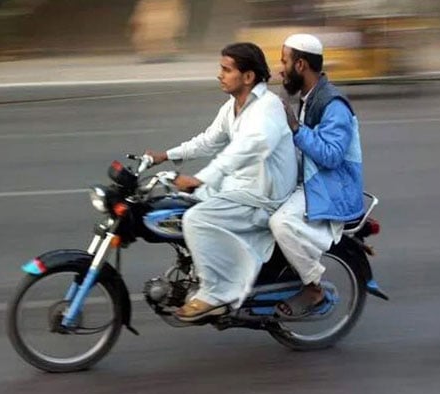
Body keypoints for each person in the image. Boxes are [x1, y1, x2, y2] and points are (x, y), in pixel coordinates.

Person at [145, 42, 297, 322]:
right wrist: (165, 156)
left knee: (196, 219)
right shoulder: (233, 106)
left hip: (263, 196)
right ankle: (201, 270)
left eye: (227, 70)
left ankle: (216, 294)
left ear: (248, 77)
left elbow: (246, 150)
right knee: (178, 204)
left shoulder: (267, 108)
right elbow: (208, 140)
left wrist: (200, 179)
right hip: (240, 186)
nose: (220, 75)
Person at [269, 33, 364, 319]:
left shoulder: (333, 103)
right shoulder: (309, 96)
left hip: (333, 188)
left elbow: (332, 155)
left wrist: (296, 128)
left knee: (281, 222)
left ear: (300, 65)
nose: (280, 67)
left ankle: (314, 289)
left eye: (284, 61)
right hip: (312, 180)